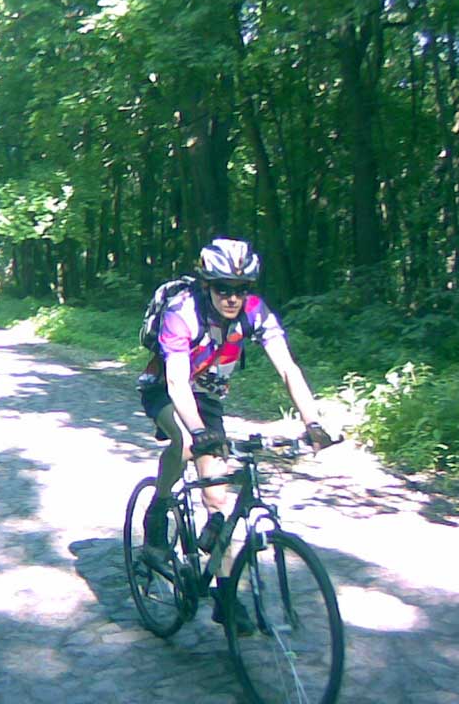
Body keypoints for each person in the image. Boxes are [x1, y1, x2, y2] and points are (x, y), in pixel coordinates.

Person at [138, 237, 336, 634]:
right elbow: (176, 382)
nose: (232, 298)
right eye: (223, 288)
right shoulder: (182, 312)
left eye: (241, 289)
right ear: (207, 284)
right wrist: (198, 432)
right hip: (166, 389)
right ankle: (158, 509)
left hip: (208, 397)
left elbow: (288, 368)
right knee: (186, 442)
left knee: (219, 500)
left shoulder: (255, 311)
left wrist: (313, 423)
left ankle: (225, 597)